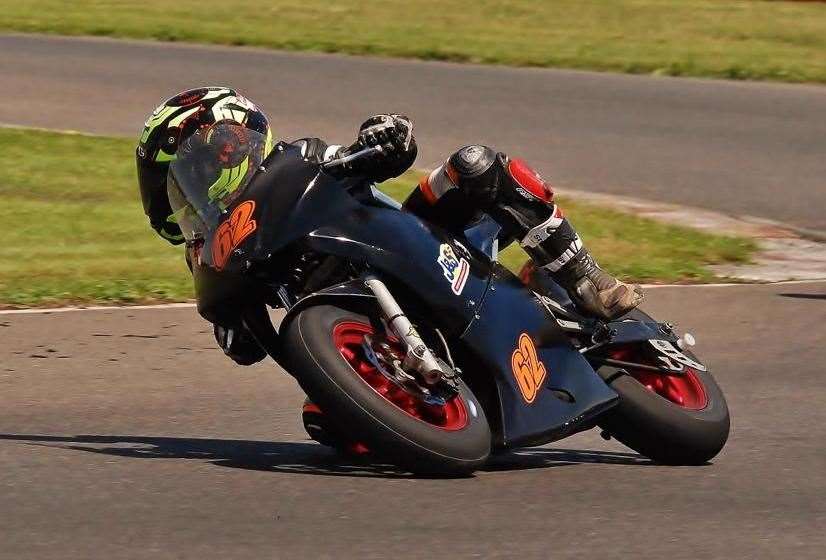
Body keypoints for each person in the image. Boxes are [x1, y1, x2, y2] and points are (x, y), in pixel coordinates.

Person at [136, 86, 642, 364]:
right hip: (367, 341)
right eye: (179, 183)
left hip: (425, 244)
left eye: (201, 164)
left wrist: (384, 135)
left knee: (474, 162)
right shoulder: (212, 252)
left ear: (237, 143)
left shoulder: (300, 156)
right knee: (329, 432)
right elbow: (243, 348)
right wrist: (226, 309)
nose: (196, 183)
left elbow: (389, 151)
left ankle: (584, 277)